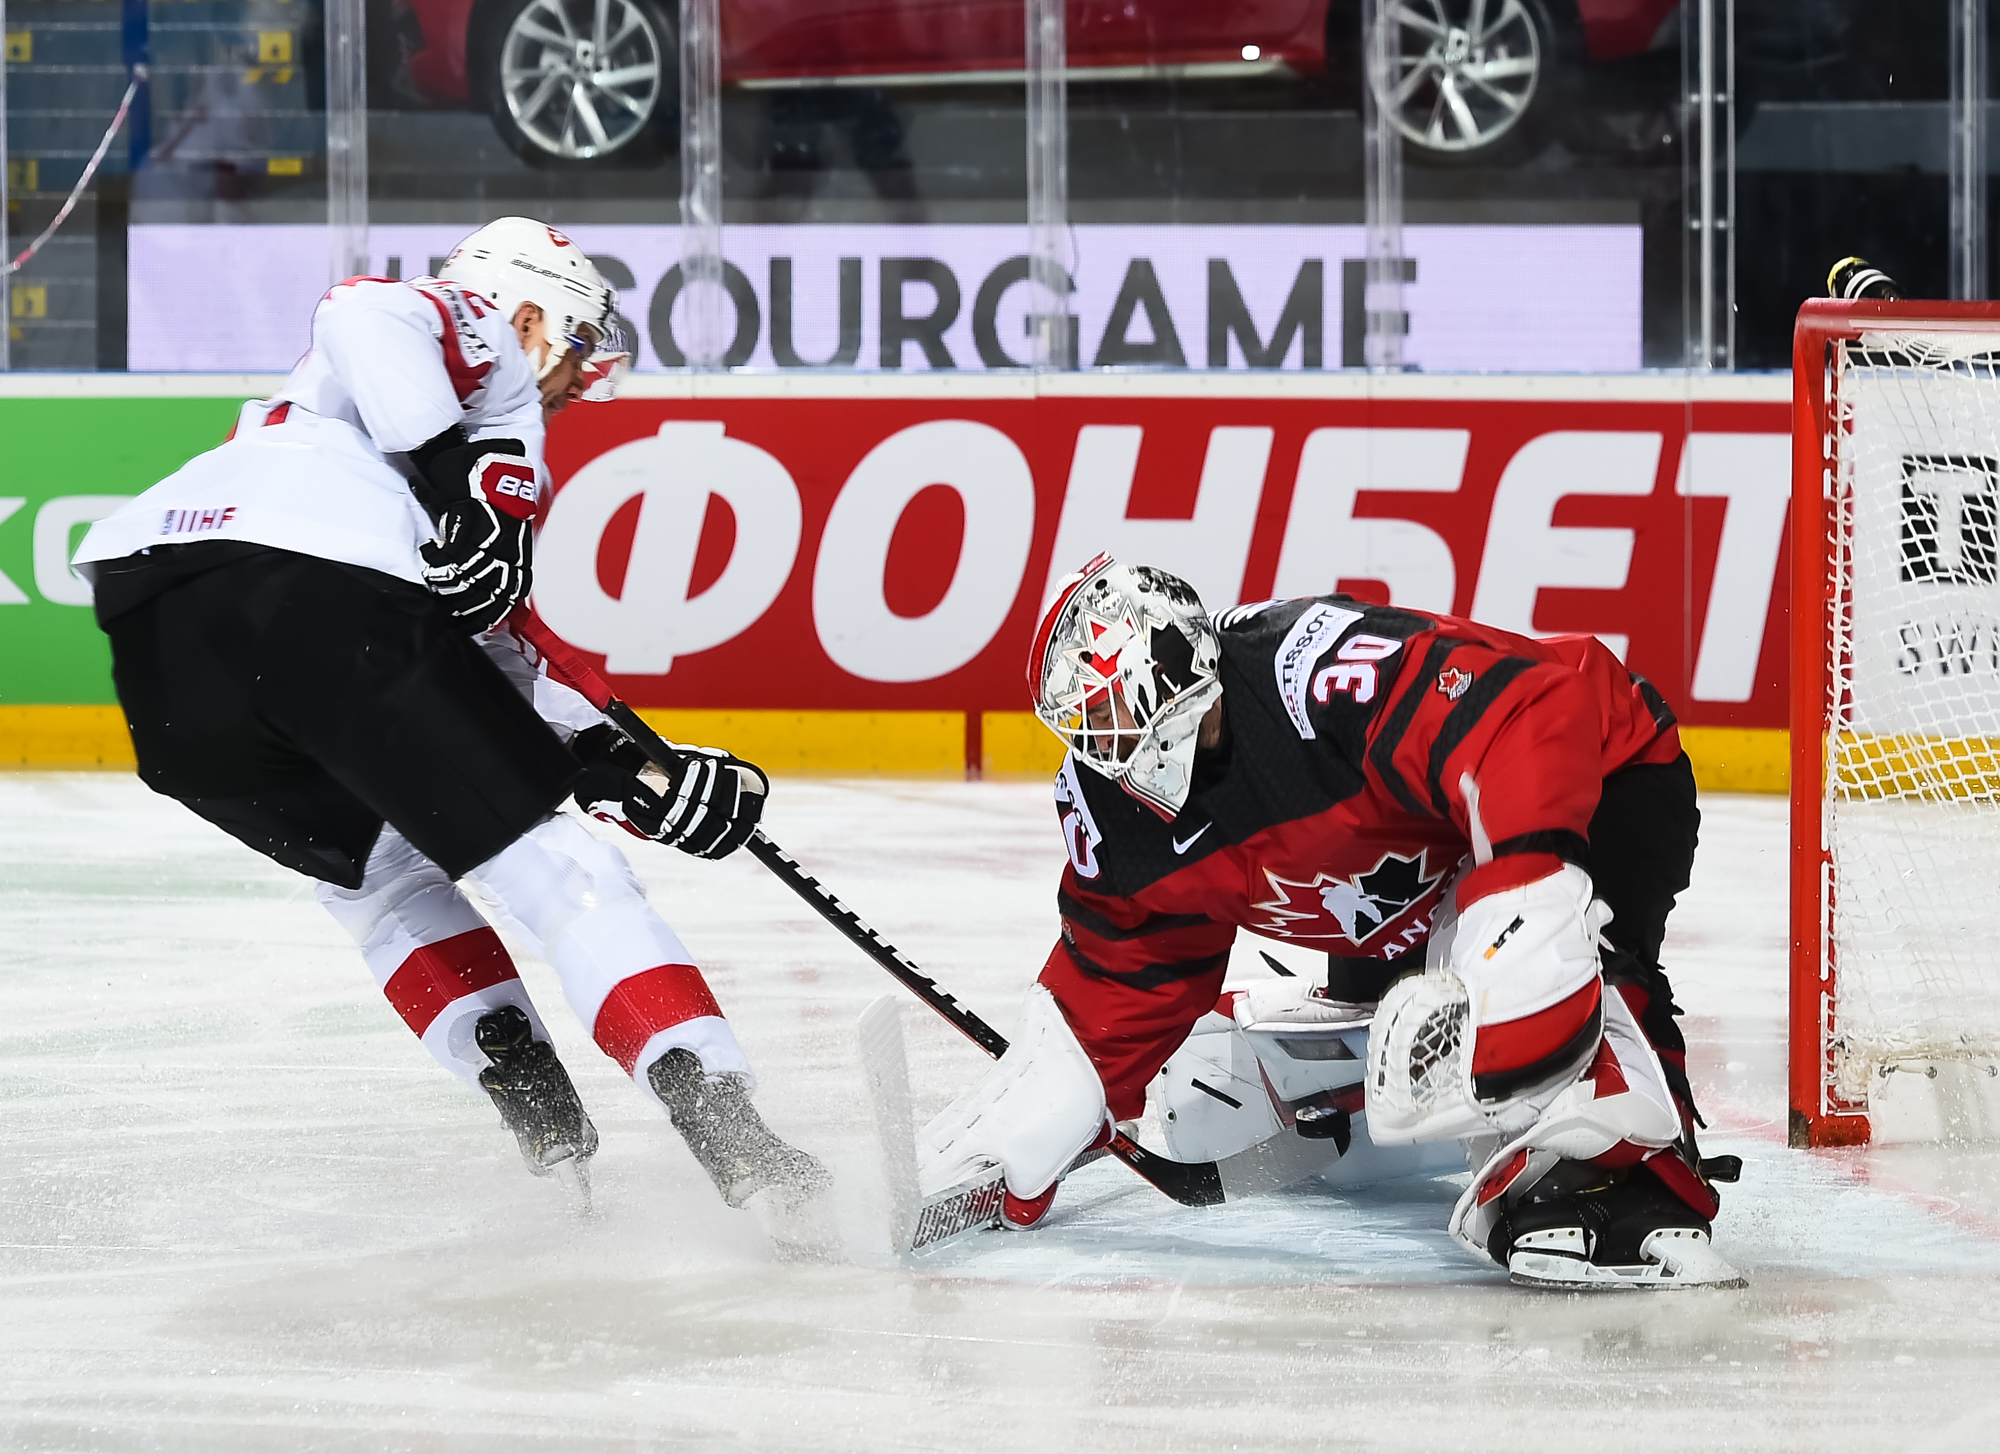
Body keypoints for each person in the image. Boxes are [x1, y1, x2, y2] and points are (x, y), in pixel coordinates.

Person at [72, 218, 829, 1232]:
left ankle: (527, 1092)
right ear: (526, 316)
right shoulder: (482, 377)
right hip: (313, 599)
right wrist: (453, 472)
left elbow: (494, 660)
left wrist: (629, 771)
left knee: (384, 883)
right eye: (572, 350)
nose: (573, 385)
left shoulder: (323, 445)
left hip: (165, 657)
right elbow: (360, 306)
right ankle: (719, 1110)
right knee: (558, 868)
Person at [917, 553, 1742, 1289]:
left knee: (1555, 961)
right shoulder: (1118, 816)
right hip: (1397, 892)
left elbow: (1527, 710)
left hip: (1600, 777)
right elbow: (1122, 976)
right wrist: (1029, 1131)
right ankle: (1379, 1093)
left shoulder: (1306, 669)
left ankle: (1641, 1173)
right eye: (1103, 729)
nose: (1130, 740)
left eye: (1136, 706)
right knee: (1223, 1078)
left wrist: (1526, 897)